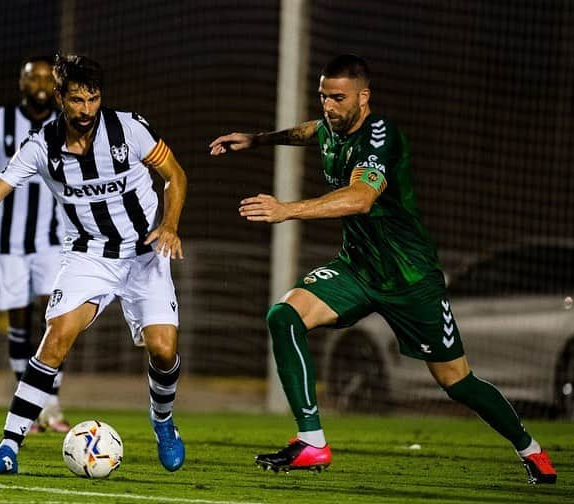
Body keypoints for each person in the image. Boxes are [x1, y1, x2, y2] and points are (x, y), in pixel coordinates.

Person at [209, 54, 557, 484]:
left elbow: (360, 198)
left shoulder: (380, 136)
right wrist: (257, 139)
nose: (329, 107)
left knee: (457, 382)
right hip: (358, 270)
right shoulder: (331, 127)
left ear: (364, 97)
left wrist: (286, 210)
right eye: (323, 97)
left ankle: (532, 450)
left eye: (338, 98)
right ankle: (312, 441)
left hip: (410, 279)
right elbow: (310, 131)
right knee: (284, 315)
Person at [0, 54, 188, 474]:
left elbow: (175, 175)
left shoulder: (129, 129)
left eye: (93, 99)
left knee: (163, 349)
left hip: (144, 254)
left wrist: (170, 224)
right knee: (56, 335)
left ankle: (163, 421)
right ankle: (8, 447)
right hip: (88, 255)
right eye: (77, 100)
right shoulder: (42, 145)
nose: (86, 110)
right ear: (61, 97)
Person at [0, 56, 70, 433]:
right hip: (8, 242)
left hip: (55, 241)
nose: (37, 82)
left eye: (44, 77)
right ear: (20, 82)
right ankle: (29, 403)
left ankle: (50, 403)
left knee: (58, 318)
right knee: (18, 321)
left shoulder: (69, 122)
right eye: (30, 75)